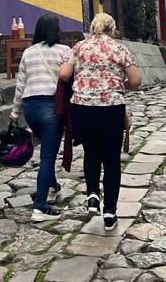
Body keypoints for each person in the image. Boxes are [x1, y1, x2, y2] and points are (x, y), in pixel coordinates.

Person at [59, 13, 142, 232]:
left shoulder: (79, 47)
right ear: (112, 30)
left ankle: (93, 195)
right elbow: (136, 80)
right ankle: (110, 213)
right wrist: (119, 84)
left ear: (93, 28)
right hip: (111, 109)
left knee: (91, 152)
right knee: (112, 159)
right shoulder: (118, 49)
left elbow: (64, 74)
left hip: (82, 108)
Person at [9, 14, 72, 221]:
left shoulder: (28, 52)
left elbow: (20, 86)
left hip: (30, 109)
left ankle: (52, 184)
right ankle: (40, 207)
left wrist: (14, 114)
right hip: (52, 108)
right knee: (47, 157)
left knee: (46, 146)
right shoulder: (65, 52)